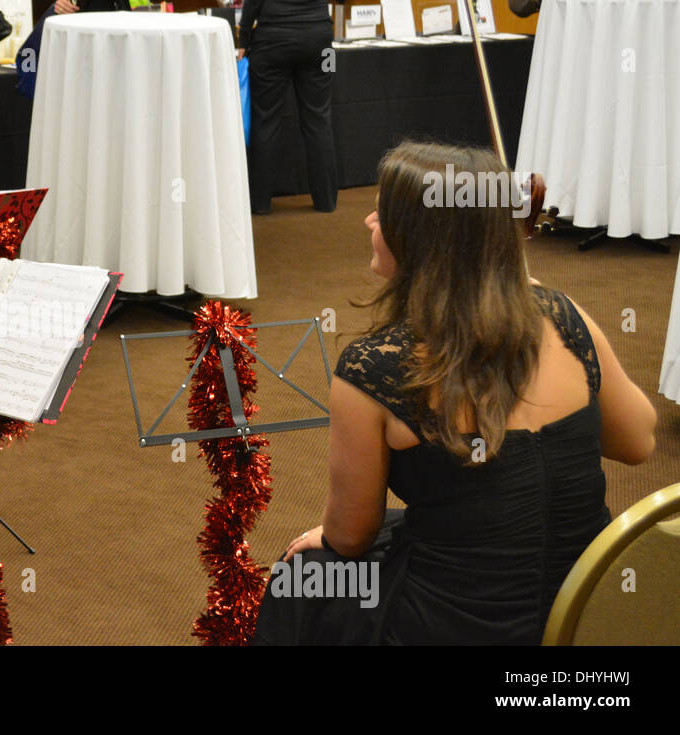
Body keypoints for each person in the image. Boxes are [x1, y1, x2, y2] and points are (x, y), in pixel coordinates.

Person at [253, 141, 657, 644]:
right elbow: (639, 441)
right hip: (588, 606)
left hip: (458, 626)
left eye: (383, 213)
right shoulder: (563, 317)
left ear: (419, 241)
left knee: (299, 579)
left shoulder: (374, 369)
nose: (369, 222)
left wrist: (325, 542)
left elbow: (349, 535)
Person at [236, 0, 338, 214]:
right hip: (320, 41)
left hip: (271, 41)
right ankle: (326, 201)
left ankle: (260, 203)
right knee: (319, 118)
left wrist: (243, 37)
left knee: (266, 120)